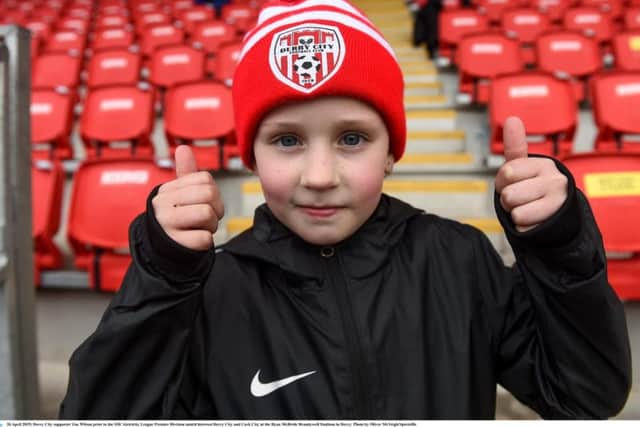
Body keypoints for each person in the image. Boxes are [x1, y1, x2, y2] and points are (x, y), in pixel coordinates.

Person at [59, 0, 631, 419]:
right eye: (287, 141)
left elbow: (586, 395)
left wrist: (558, 245)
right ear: (251, 156)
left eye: (352, 139)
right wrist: (160, 280)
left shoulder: (458, 260)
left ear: (391, 152)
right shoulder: (212, 289)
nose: (320, 176)